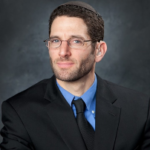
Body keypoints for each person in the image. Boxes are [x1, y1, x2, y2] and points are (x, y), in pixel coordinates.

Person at [0, 1, 150, 150]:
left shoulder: (141, 109)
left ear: (99, 51)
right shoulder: (20, 112)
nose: (63, 52)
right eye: (56, 41)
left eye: (76, 41)